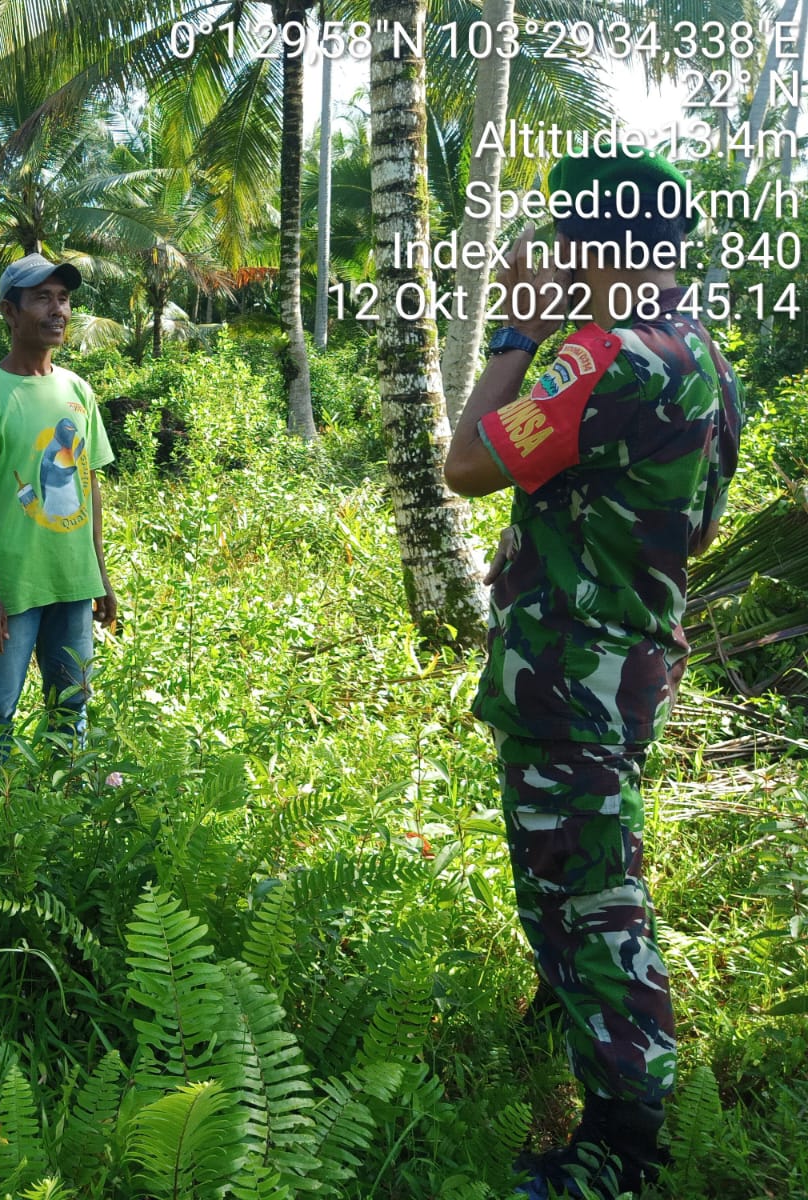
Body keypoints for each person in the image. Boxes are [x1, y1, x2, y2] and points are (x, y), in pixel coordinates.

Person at [444, 145, 743, 1199]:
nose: (547, 251)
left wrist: (518, 336)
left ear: (592, 243)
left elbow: (466, 464)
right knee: (580, 867)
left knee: (590, 894)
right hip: (626, 665)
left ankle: (626, 1146)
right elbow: (691, 527)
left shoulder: (597, 355)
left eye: (558, 235)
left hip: (566, 670)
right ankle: (575, 1023)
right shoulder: (702, 355)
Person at [0, 253, 118, 751]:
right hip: (13, 589)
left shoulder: (77, 390)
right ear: (9, 312)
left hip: (73, 582)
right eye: (42, 298)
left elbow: (90, 489)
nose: (58, 310)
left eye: (63, 299)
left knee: (72, 704)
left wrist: (101, 577)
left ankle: (63, 810)